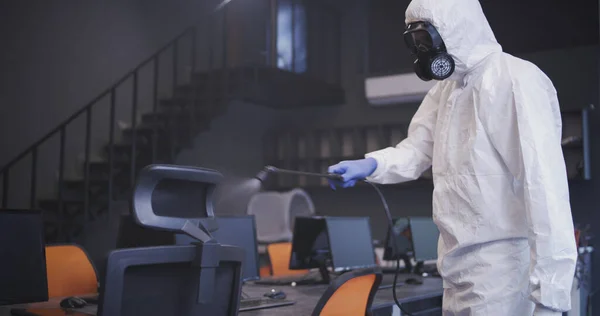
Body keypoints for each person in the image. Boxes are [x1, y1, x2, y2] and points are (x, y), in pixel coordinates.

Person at [328, 0, 578, 315]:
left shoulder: (516, 81)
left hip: (503, 276)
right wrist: (372, 164)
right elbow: (418, 149)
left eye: (427, 39)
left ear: (457, 28)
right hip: (455, 269)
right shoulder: (446, 90)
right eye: (417, 42)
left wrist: (550, 299)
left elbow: (546, 190)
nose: (424, 50)